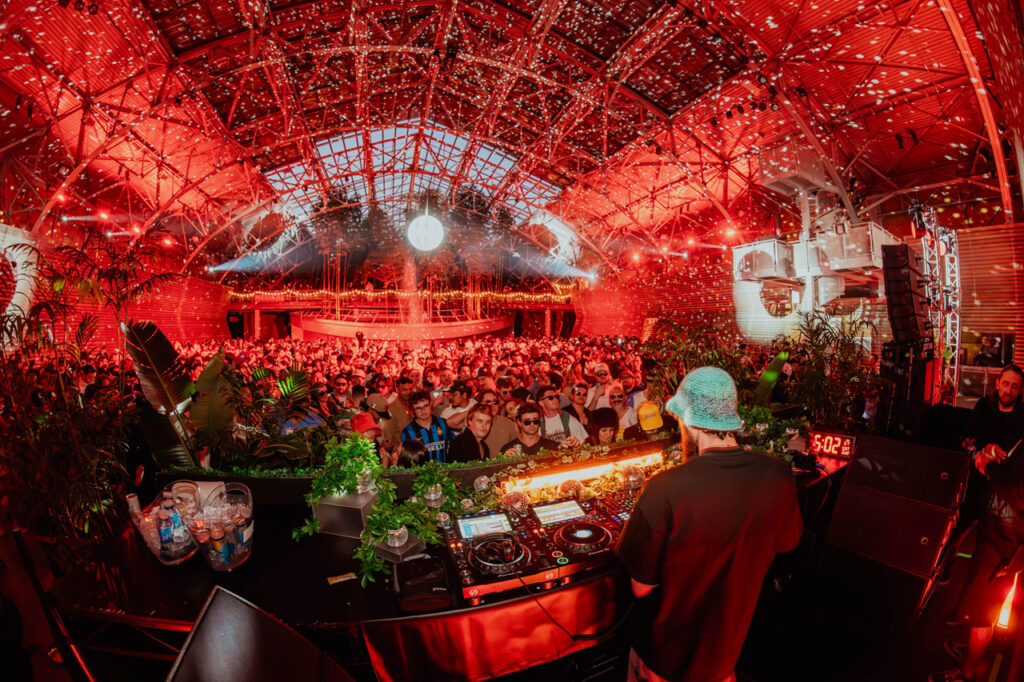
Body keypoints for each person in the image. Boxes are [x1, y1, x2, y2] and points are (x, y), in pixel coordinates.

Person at [615, 366, 803, 682]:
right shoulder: (777, 474)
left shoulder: (664, 488)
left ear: (690, 421)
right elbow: (787, 544)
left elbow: (641, 587)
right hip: (726, 655)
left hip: (666, 660)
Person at [400, 391, 455, 463]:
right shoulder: (407, 432)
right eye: (418, 408)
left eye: (426, 406)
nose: (423, 411)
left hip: (445, 469)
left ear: (431, 404)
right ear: (413, 410)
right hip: (421, 470)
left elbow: (454, 447)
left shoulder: (443, 424)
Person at [478, 389, 518, 457]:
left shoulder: (508, 423)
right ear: (480, 405)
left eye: (495, 402)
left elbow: (518, 446)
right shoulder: (475, 424)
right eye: (488, 402)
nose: (492, 405)